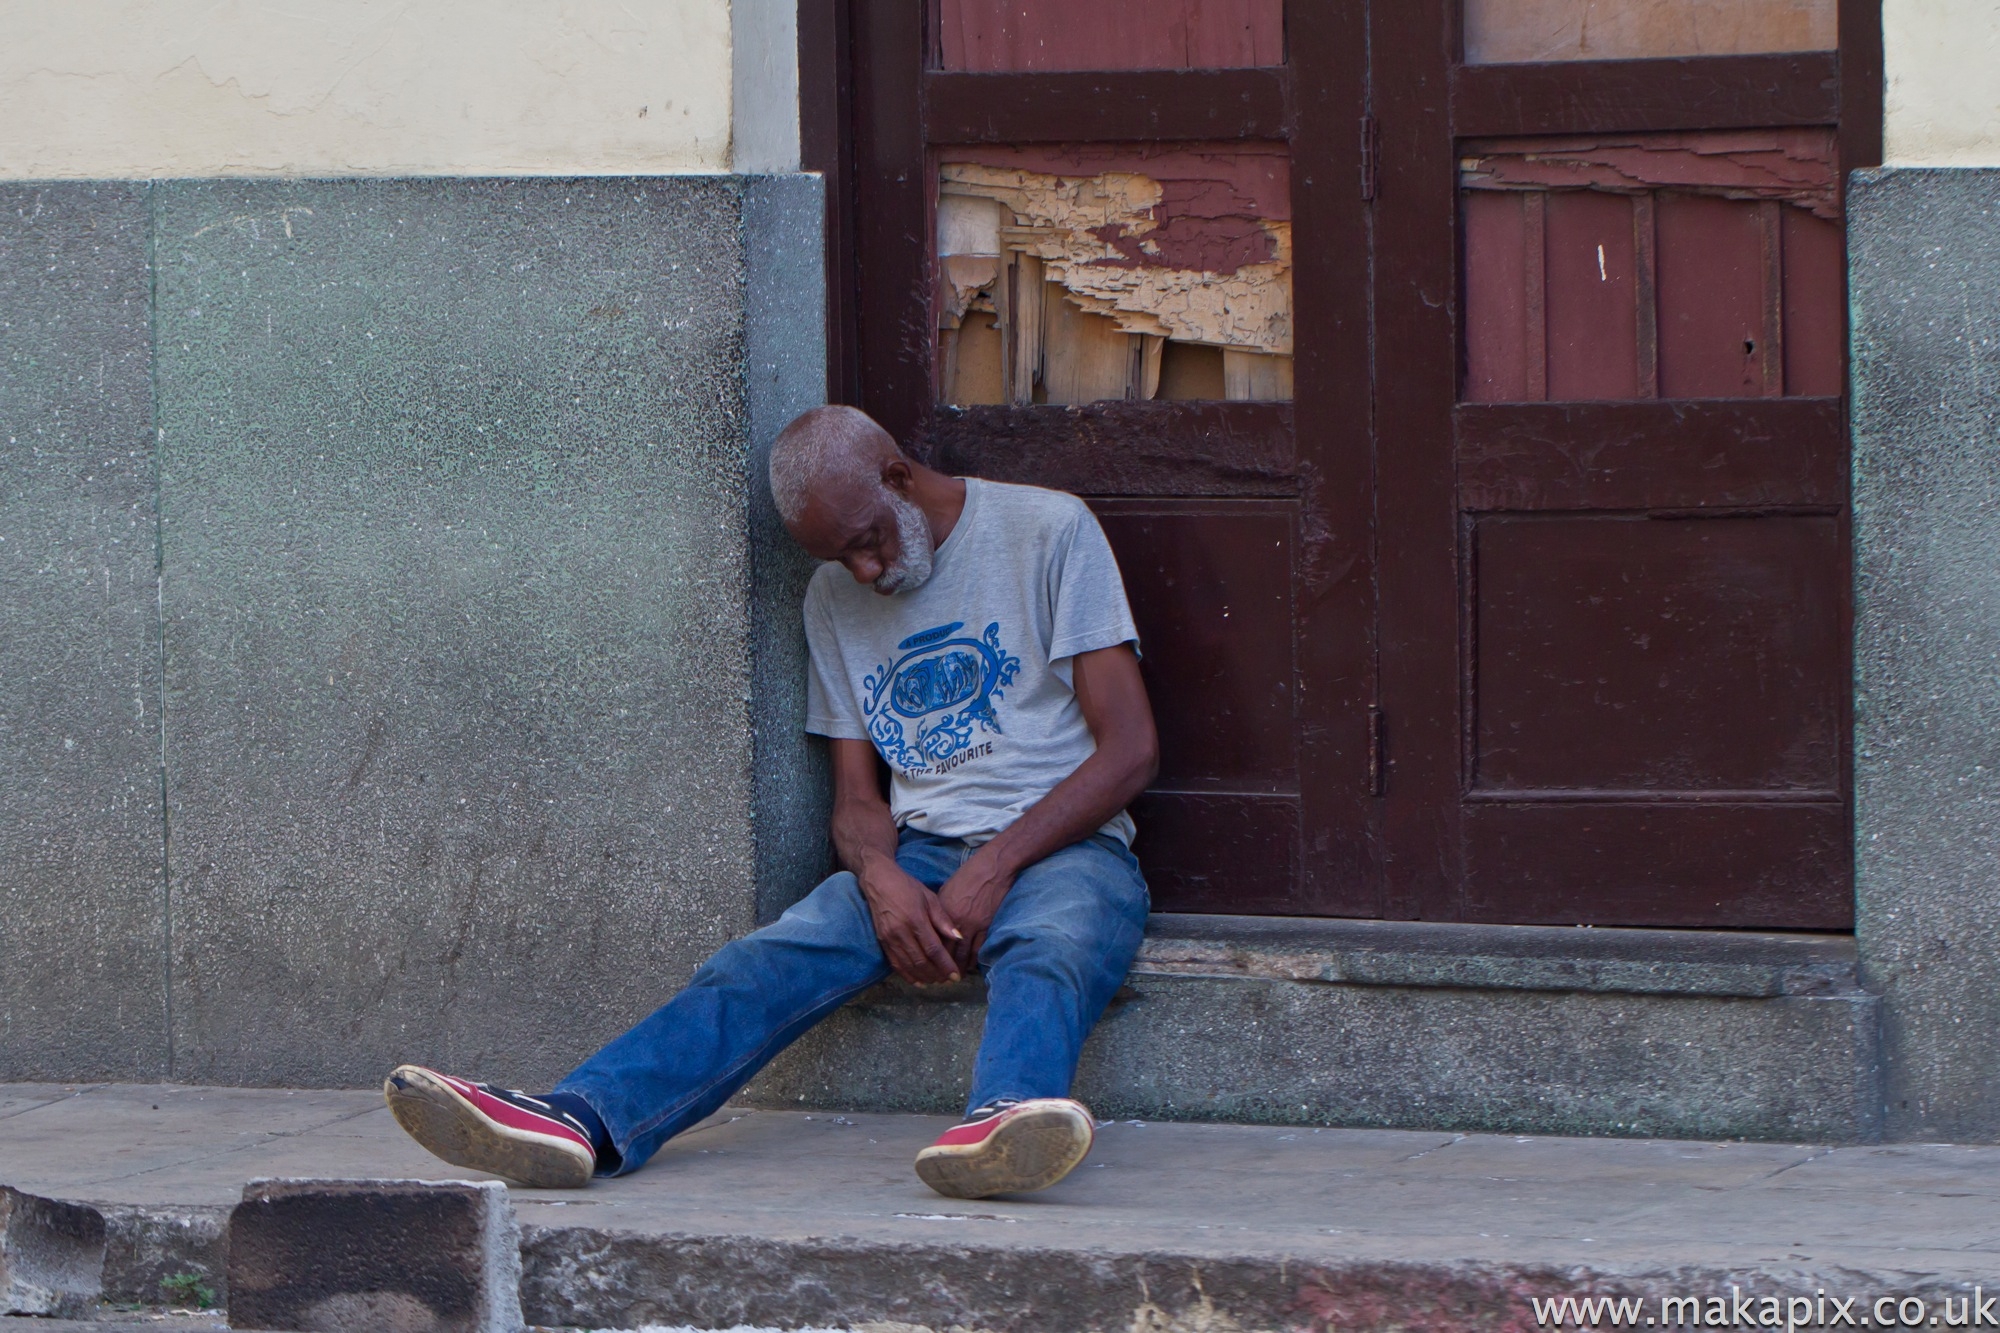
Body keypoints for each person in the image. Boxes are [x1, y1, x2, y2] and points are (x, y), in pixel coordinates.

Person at [384, 404, 1158, 1200]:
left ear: (898, 477)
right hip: (919, 852)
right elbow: (858, 799)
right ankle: (583, 1116)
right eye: (838, 555)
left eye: (867, 541)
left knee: (1051, 939)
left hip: (1069, 844)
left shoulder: (1049, 531)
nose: (864, 572)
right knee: (762, 961)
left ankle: (1007, 1119)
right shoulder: (831, 596)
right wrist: (878, 877)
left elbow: (1131, 748)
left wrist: (996, 866)